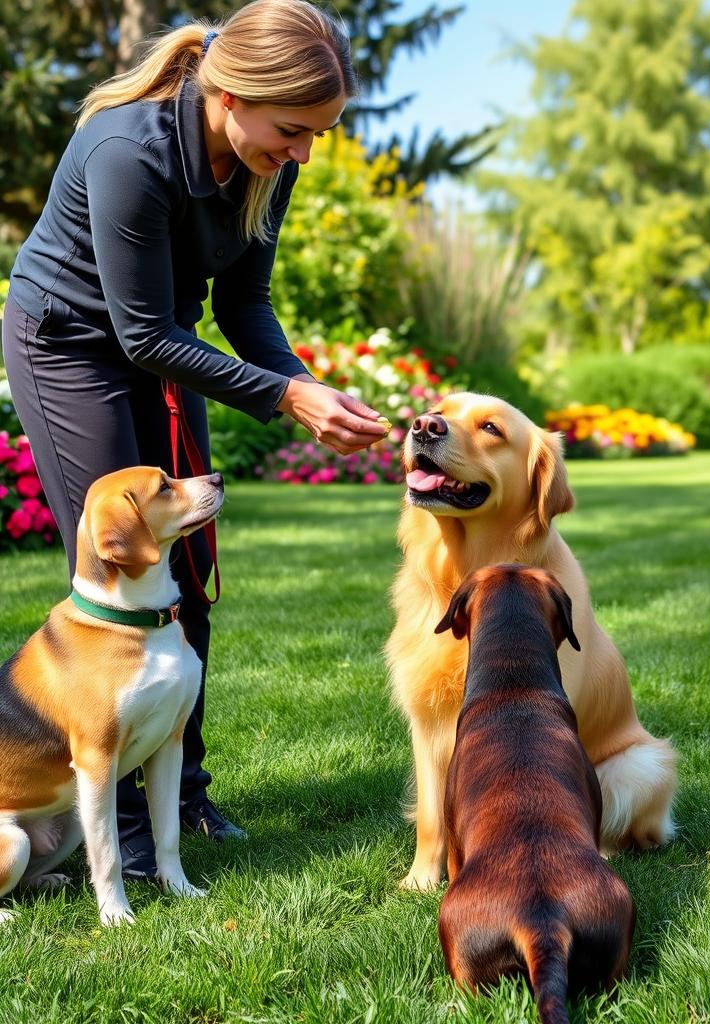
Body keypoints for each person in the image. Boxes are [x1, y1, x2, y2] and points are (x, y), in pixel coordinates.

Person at [1, 0, 387, 880]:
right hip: (67, 342)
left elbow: (243, 305)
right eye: (294, 130)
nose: (303, 153)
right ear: (230, 93)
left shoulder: (267, 161)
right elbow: (137, 336)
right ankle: (125, 833)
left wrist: (305, 383)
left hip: (162, 341)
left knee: (188, 573)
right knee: (127, 568)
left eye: (318, 134)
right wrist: (287, 399)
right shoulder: (127, 152)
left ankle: (183, 797)